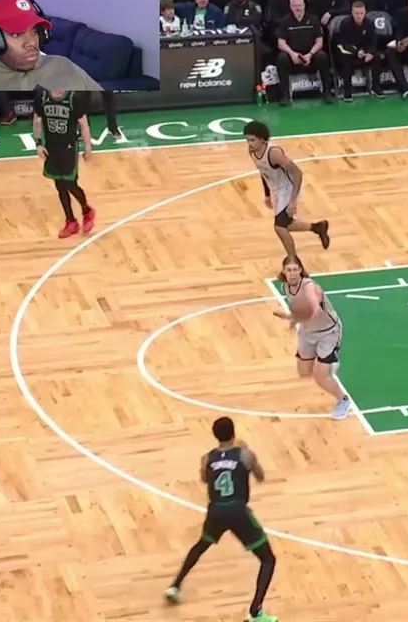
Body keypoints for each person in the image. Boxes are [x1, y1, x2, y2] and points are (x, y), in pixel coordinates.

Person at [164, 416, 279, 622]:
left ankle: (175, 586)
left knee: (201, 545)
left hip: (216, 510)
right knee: (268, 559)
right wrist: (249, 455)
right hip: (237, 511)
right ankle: (255, 612)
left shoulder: (207, 458)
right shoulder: (245, 455)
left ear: (215, 435)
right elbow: (261, 477)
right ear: (233, 433)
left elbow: (204, 478)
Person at [273, 256, 353, 419]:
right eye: (289, 270)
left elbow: (314, 310)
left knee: (320, 377)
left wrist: (291, 316)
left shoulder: (309, 286)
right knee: (303, 372)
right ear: (284, 271)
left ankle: (343, 400)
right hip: (308, 331)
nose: (292, 273)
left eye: (295, 270)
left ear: (301, 270)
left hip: (328, 332)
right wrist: (294, 320)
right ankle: (328, 364)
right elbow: (299, 309)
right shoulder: (286, 286)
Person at [245, 120, 331, 259]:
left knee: (279, 226)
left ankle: (293, 261)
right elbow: (263, 171)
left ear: (262, 139)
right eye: (248, 140)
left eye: (252, 140)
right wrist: (267, 194)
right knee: (287, 224)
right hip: (277, 189)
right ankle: (317, 227)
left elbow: (298, 173)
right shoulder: (252, 152)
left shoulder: (274, 153)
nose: (249, 143)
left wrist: (292, 201)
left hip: (289, 188)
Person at [32, 88, 95, 239]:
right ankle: (70, 221)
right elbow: (37, 120)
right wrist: (39, 144)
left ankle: (87, 211)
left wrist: (88, 147)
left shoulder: (74, 98)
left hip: (69, 147)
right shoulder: (43, 97)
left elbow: (84, 124)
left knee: (69, 183)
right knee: (59, 185)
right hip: (52, 146)